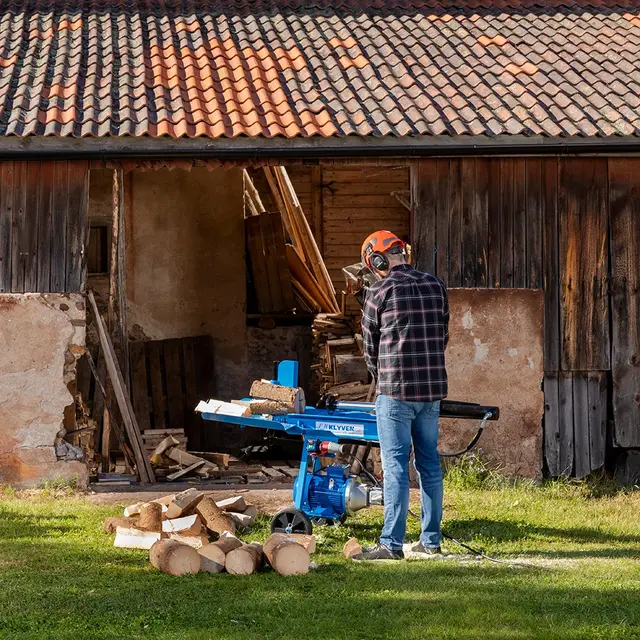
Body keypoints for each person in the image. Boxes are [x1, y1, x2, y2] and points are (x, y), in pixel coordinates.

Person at [354, 230, 449, 561]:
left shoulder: (380, 290)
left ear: (377, 261)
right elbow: (443, 334)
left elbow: (369, 348)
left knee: (394, 467)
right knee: (429, 464)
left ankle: (391, 545)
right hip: (432, 391)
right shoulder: (436, 286)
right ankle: (431, 540)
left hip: (395, 392)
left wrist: (383, 379)